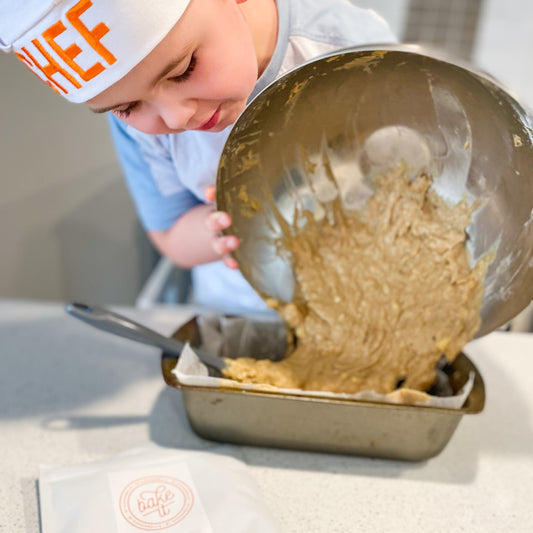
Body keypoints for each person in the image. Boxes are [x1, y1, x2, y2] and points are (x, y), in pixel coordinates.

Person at [0, 0, 396, 312]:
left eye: (185, 69)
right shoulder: (136, 129)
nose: (177, 117)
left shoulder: (348, 50)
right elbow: (170, 232)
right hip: (236, 315)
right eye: (128, 106)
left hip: (369, 300)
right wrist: (227, 226)